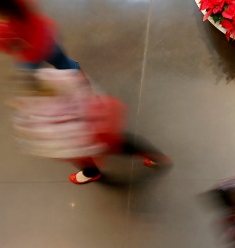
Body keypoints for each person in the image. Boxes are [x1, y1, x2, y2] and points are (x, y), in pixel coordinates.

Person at [9, 67, 170, 184]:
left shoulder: (36, 109)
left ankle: (92, 172)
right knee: (123, 143)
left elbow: (45, 135)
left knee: (94, 154)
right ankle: (156, 156)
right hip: (99, 123)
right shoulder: (57, 78)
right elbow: (81, 82)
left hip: (82, 139)